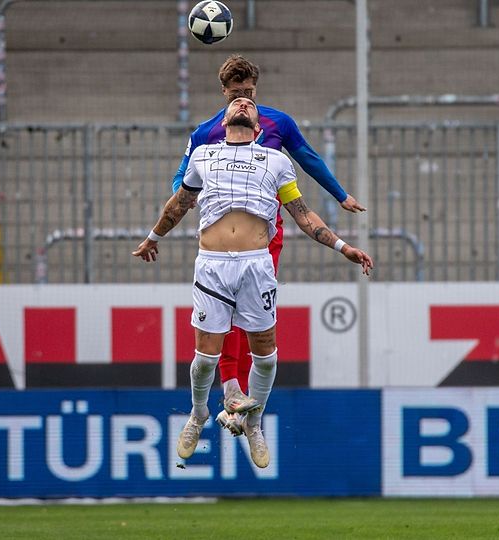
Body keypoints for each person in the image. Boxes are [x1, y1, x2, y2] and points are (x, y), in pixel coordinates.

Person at [135, 97, 373, 468]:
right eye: (237, 102)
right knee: (205, 359)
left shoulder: (276, 161)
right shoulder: (203, 155)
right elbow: (179, 204)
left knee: (265, 354)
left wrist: (343, 247)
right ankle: (198, 414)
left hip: (256, 267)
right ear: (224, 120)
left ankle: (254, 423)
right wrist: (154, 237)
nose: (243, 103)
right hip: (212, 266)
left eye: (250, 103)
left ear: (259, 127)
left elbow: (302, 214)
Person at [171, 54, 366, 436]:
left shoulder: (278, 123)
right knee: (225, 316)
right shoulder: (207, 132)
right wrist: (183, 196)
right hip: (222, 240)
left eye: (249, 91)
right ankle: (231, 390)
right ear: (224, 92)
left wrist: (339, 194)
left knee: (252, 317)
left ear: (256, 88)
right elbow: (181, 177)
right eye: (236, 92)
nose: (243, 98)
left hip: (267, 235)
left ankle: (244, 407)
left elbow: (307, 157)